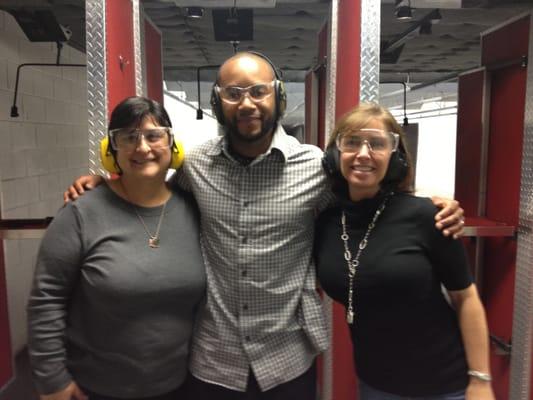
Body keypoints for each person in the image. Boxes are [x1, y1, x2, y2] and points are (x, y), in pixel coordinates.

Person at [63, 53, 465, 399]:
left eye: (258, 91)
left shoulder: (314, 168)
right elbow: (148, 193)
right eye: (233, 93)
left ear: (277, 95)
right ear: (218, 101)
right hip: (212, 360)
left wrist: (428, 201)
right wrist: (104, 183)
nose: (247, 103)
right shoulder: (195, 166)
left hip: (288, 360)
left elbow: (369, 199)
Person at [27, 96, 206, 400]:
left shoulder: (194, 207)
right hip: (93, 389)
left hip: (178, 386)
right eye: (128, 138)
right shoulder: (80, 213)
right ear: (112, 150)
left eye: (154, 136)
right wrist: (52, 380)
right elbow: (47, 299)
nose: (142, 148)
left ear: (172, 146)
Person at [315, 102, 495, 400]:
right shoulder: (327, 223)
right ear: (337, 154)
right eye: (352, 142)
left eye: (376, 144)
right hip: (375, 384)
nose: (363, 153)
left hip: (446, 385)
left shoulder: (427, 216)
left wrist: (481, 380)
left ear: (394, 157)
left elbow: (466, 297)